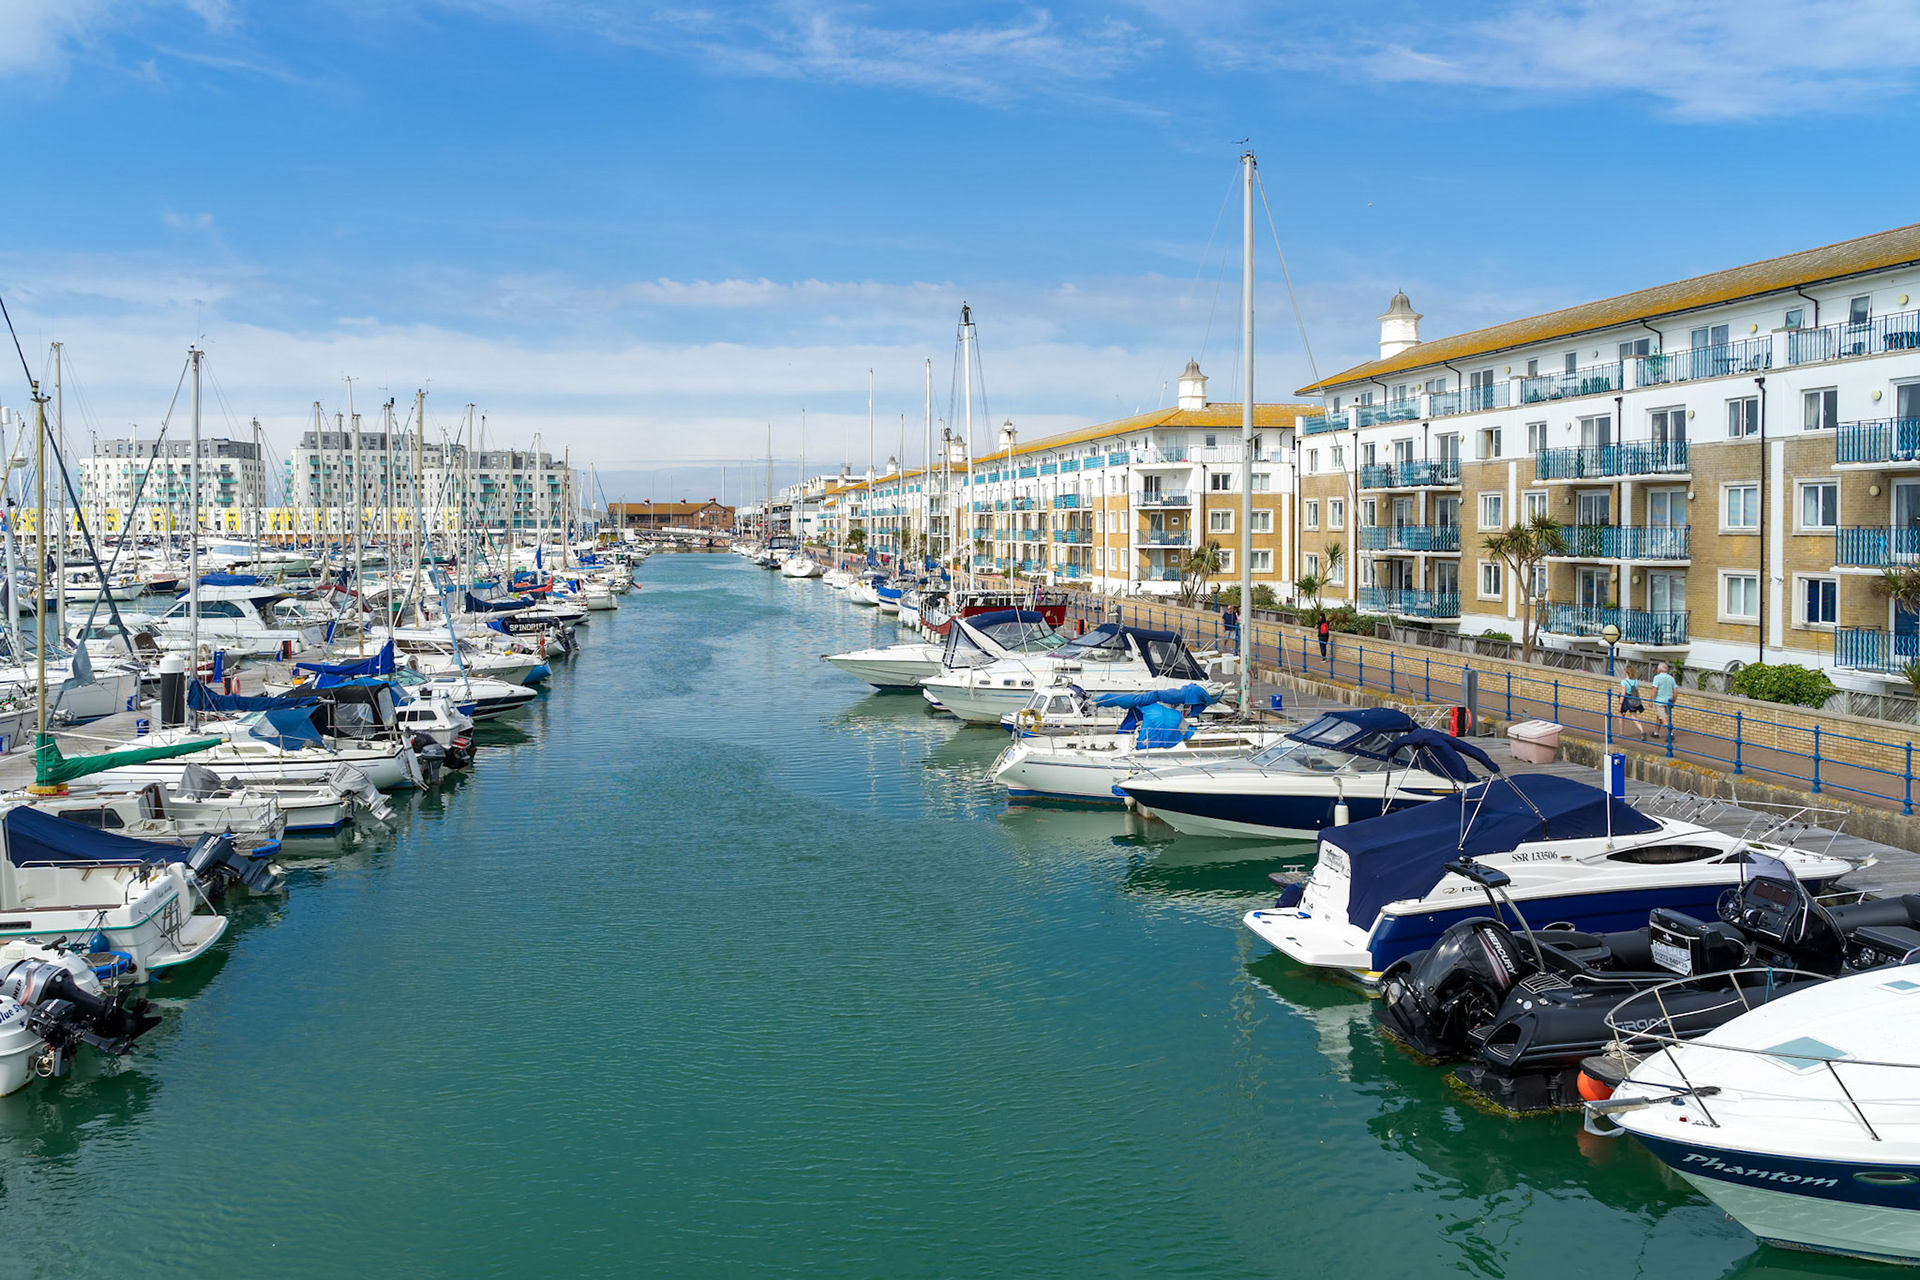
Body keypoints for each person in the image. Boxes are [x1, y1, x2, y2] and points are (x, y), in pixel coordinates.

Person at [1618, 667, 1647, 740]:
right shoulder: (1636, 681)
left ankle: (1621, 733)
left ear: (1626, 672)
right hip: (1634, 699)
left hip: (1626, 700)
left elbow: (1623, 694)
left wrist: (1620, 704)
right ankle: (1642, 730)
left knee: (1621, 715)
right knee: (1634, 716)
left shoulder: (1624, 682)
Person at [1652, 661, 1678, 736]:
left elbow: (1654, 689)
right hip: (1668, 702)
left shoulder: (1657, 677)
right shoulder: (1671, 678)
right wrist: (1673, 701)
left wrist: (1651, 700)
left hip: (1659, 702)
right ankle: (1656, 732)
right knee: (1659, 717)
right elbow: (1675, 691)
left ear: (1658, 670)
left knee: (1663, 718)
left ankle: (1670, 734)